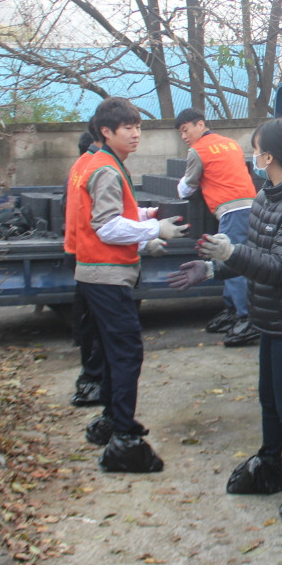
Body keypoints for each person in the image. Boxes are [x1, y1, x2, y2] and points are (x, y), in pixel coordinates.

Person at [167, 118, 282, 523]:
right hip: (269, 318)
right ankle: (270, 464)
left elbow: (279, 267)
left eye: (256, 149)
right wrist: (213, 269)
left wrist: (230, 255)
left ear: (270, 156)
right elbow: (253, 254)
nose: (252, 156)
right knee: (269, 402)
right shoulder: (265, 198)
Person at [77, 97, 188, 473]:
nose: (137, 134)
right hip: (107, 274)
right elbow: (106, 225)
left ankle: (113, 419)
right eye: (129, 128)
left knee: (112, 352)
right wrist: (153, 229)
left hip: (97, 272)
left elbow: (113, 214)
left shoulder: (101, 163)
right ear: (107, 132)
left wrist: (144, 220)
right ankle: (123, 436)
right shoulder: (107, 169)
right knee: (127, 353)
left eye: (138, 126)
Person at [175, 109, 258, 346]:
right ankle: (233, 309)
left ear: (200, 124)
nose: (184, 136)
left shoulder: (197, 151)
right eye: (181, 132)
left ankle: (246, 318)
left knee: (233, 261)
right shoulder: (230, 144)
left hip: (231, 210)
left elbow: (185, 189)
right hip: (249, 206)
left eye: (185, 130)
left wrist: (186, 182)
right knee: (235, 258)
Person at [65, 127, 106, 406]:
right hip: (92, 254)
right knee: (98, 325)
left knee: (88, 320)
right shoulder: (98, 166)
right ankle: (92, 380)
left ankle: (90, 379)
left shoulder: (80, 164)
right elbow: (107, 223)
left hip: (77, 250)